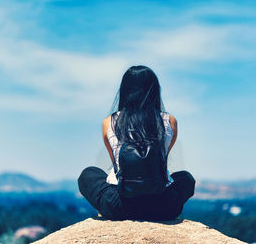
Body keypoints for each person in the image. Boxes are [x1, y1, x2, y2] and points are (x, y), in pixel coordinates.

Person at [78, 65, 195, 221]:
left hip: (119, 207)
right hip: (162, 206)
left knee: (88, 174)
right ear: (154, 90)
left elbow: (116, 164)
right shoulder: (169, 121)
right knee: (185, 178)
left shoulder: (109, 123)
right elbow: (163, 159)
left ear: (124, 91)